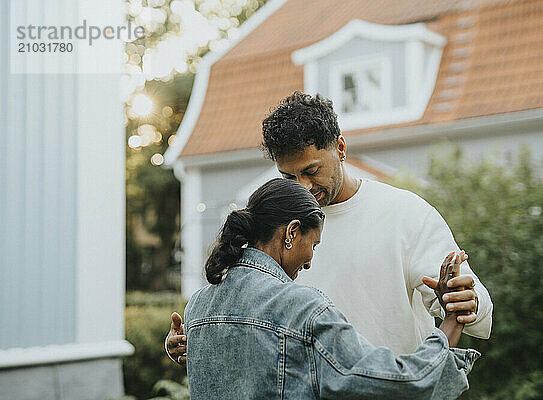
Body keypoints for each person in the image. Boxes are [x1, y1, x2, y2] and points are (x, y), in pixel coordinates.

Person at [166, 91, 492, 362]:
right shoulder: (272, 227)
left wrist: (467, 301)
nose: (303, 187)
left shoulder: (406, 213)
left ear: (339, 148)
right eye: (289, 177)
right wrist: (199, 340)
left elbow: (474, 307)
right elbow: (248, 314)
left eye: (311, 170)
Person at [184, 178, 480, 399]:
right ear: (291, 232)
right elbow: (399, 382)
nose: (310, 261)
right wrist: (452, 321)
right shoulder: (302, 308)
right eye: (313, 245)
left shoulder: (197, 307)